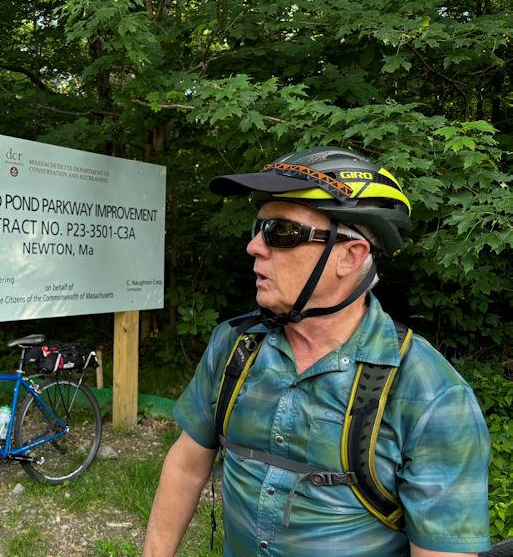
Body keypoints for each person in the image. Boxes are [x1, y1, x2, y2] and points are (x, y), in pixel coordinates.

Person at [143, 147, 490, 556]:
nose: (254, 246)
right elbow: (187, 464)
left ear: (350, 256)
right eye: (258, 228)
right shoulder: (235, 346)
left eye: (281, 232)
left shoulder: (430, 394)